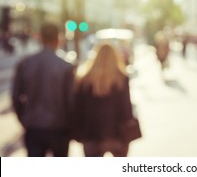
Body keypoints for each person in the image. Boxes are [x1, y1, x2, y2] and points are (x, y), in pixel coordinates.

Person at [12, 23, 75, 157]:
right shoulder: (66, 67)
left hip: (34, 125)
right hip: (60, 127)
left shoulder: (25, 63)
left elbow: (16, 96)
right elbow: (71, 101)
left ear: (40, 38)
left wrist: (24, 118)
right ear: (58, 39)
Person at [72, 42, 135, 157]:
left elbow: (77, 109)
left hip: (91, 133)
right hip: (117, 133)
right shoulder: (121, 78)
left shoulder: (84, 78)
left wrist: (78, 132)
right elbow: (126, 108)